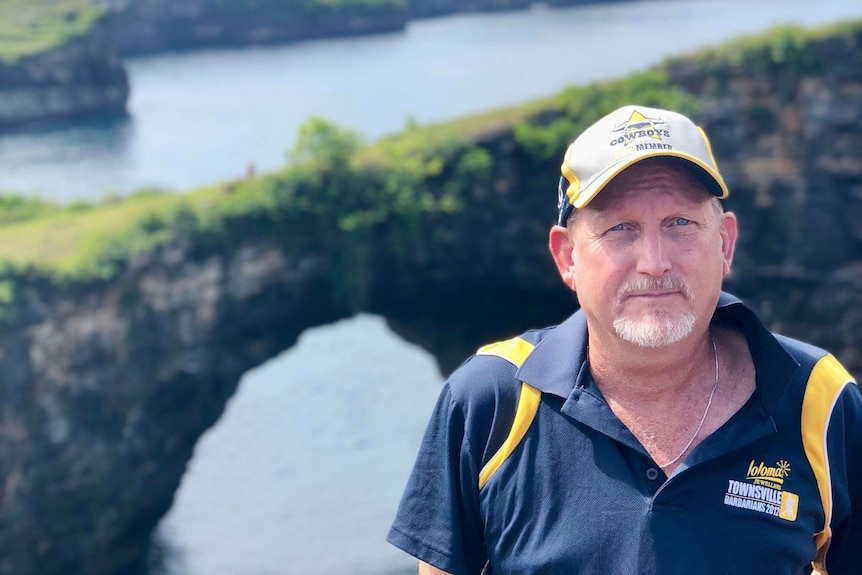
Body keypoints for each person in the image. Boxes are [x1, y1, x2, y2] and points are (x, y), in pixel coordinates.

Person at [386, 105, 861, 574]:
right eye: (619, 229)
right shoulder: (493, 399)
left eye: (680, 223)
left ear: (725, 243)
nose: (654, 262)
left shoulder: (819, 400)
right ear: (567, 257)